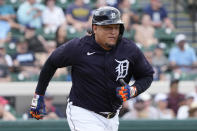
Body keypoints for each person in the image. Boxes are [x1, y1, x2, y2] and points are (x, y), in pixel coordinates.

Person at [30, 6, 154, 131]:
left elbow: (147, 75)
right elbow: (52, 62)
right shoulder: (79, 47)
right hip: (83, 113)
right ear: (95, 28)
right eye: (107, 27)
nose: (113, 32)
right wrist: (39, 94)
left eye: (116, 27)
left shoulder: (129, 49)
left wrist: (133, 90)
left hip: (113, 117)